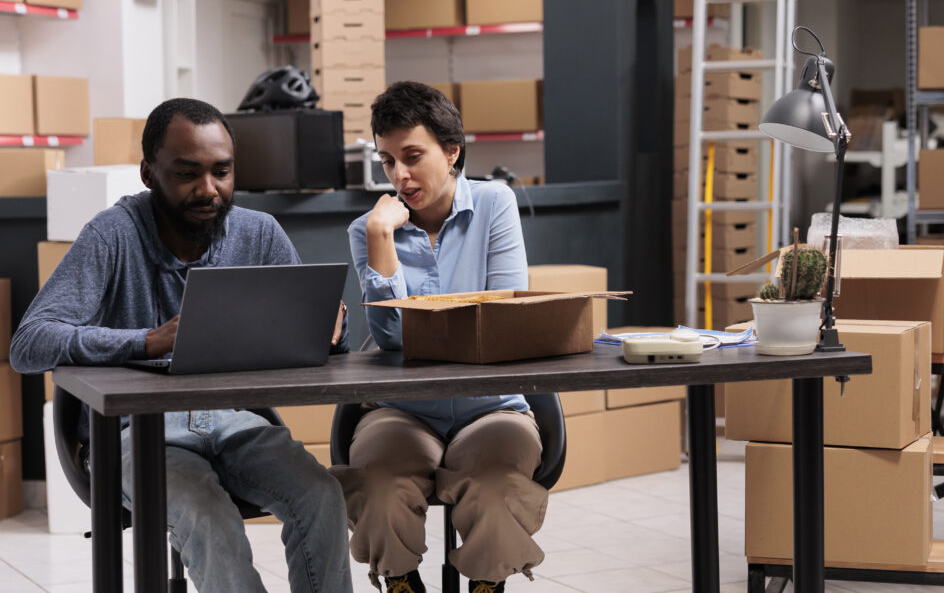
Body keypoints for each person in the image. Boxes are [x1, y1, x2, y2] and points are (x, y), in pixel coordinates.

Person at [10, 98, 353, 593]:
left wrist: (324, 335)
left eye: (222, 172)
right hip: (140, 433)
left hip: (235, 421)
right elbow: (30, 342)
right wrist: (148, 341)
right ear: (149, 172)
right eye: (188, 173)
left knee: (321, 496)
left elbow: (302, 346)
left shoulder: (258, 234)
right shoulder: (112, 234)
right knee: (207, 515)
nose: (209, 189)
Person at [337, 81, 546, 593]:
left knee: (497, 490)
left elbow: (501, 320)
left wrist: (423, 326)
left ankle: (486, 585)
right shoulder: (370, 229)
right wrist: (382, 238)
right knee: (381, 488)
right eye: (387, 161)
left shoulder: (495, 203)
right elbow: (389, 337)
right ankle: (402, 582)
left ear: (451, 152)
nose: (399, 175)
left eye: (412, 156)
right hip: (402, 409)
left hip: (492, 406)